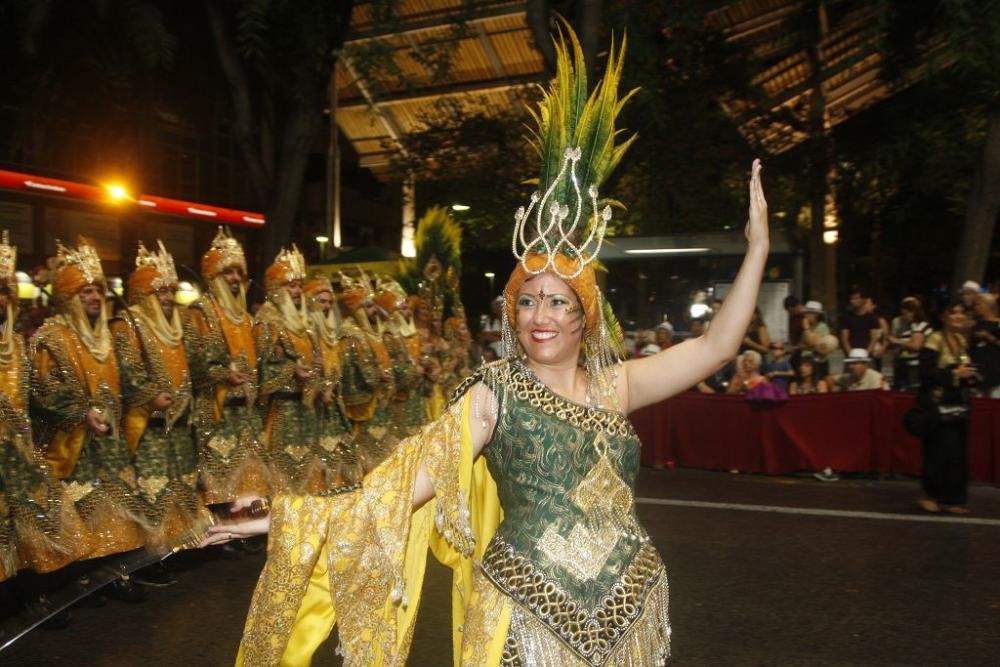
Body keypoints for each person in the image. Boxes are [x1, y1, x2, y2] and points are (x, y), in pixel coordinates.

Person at [205, 30, 769, 667]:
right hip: (526, 620)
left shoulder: (619, 386)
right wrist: (283, 516)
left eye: (559, 301)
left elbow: (718, 345)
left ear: (587, 316)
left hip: (630, 608)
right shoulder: (493, 393)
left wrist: (756, 251)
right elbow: (403, 486)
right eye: (527, 300)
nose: (540, 315)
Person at [31, 238, 150, 599]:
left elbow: (130, 380)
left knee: (117, 513)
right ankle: (77, 584)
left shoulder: (109, 337)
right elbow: (43, 389)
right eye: (85, 292)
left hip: (110, 441)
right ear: (68, 297)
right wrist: (82, 413)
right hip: (73, 446)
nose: (95, 298)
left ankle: (112, 577)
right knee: (82, 510)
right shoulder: (51, 338)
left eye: (97, 290)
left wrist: (151, 395)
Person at [0, 231, 92, 581]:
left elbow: (40, 394)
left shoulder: (20, 347)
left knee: (38, 524)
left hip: (19, 456)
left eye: (5, 290)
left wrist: (80, 412)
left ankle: (28, 592)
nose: (1, 297)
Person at [111, 240, 202, 548]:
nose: (167, 298)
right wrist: (151, 396)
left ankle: (179, 545)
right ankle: (152, 552)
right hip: (148, 424)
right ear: (143, 293)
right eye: (160, 291)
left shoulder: (179, 323)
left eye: (170, 291)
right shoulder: (128, 323)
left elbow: (194, 366)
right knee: (153, 489)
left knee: (183, 484)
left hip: (179, 423)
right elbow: (128, 370)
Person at [183, 227, 270, 506]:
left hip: (245, 413)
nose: (234, 279)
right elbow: (192, 361)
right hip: (215, 411)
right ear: (213, 276)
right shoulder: (199, 311)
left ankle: (244, 531)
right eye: (228, 272)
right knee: (219, 479)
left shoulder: (245, 318)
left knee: (251, 477)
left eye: (238, 273)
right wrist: (223, 375)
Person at [254, 246, 326, 495]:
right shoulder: (267, 321)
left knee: (308, 476)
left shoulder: (303, 324)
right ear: (276, 289)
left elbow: (315, 358)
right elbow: (260, 367)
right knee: (282, 478)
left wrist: (317, 369)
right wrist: (291, 370)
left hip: (305, 413)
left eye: (299, 286)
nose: (297, 292)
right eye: (291, 286)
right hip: (281, 413)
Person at [302, 275, 361, 492]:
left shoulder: (331, 333)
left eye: (329, 302)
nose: (326, 306)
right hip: (313, 413)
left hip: (334, 409)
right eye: (321, 301)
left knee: (344, 463)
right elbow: (307, 365)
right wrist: (319, 389)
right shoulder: (306, 330)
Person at [917, 302, 976, 513]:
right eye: (953, 312)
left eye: (962, 312)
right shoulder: (934, 339)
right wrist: (953, 375)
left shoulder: (962, 340)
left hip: (958, 405)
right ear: (944, 316)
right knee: (937, 452)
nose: (959, 316)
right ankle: (929, 494)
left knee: (956, 454)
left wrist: (970, 375)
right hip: (937, 405)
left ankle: (952, 498)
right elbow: (925, 374)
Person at [337, 269, 397, 468]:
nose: (374, 310)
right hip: (364, 413)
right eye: (369, 306)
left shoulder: (372, 333)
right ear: (358, 309)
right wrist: (376, 376)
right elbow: (349, 374)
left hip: (381, 408)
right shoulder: (350, 336)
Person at [888, 297, 931, 391]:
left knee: (912, 392)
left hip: (915, 367)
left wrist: (897, 341)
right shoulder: (910, 327)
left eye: (906, 314)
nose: (904, 317)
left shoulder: (920, 326)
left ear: (913, 312)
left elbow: (916, 346)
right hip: (904, 365)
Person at [969, 293, 1000, 397]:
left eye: (979, 304)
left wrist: (988, 337)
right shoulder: (974, 325)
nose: (976, 308)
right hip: (977, 375)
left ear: (989, 305)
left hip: (996, 375)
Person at [839, 289, 881, 360]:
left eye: (855, 298)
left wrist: (865, 355)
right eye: (851, 299)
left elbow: (873, 339)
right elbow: (844, 338)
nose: (852, 301)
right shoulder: (846, 317)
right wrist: (851, 355)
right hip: (851, 355)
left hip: (866, 356)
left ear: (864, 300)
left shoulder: (872, 318)